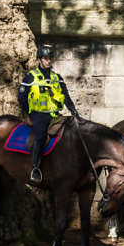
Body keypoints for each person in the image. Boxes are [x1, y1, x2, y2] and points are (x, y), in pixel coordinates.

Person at [17, 44, 79, 182]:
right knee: (40, 138)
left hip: (55, 115)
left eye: (50, 58)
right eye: (45, 58)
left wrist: (74, 110)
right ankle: (35, 168)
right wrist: (30, 113)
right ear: (39, 60)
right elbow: (21, 98)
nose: (48, 61)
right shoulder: (30, 77)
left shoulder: (57, 77)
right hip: (38, 115)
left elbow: (66, 96)